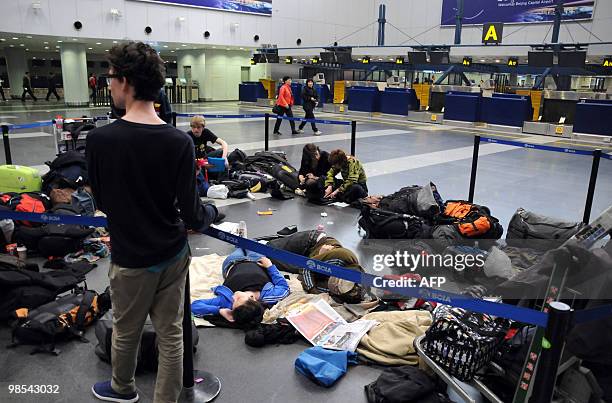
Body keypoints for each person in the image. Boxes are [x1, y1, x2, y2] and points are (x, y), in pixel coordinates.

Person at [87, 41, 218, 403]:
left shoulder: (99, 140)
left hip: (130, 257)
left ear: (126, 81)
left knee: (126, 330)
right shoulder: (179, 141)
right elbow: (193, 213)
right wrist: (211, 214)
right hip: (173, 254)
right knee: (171, 333)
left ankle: (123, 389)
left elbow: (101, 201)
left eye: (110, 77)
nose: (107, 84)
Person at [191, 246, 290, 328]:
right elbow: (284, 287)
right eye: (238, 298)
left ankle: (240, 241)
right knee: (251, 244)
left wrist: (219, 310)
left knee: (240, 245)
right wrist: (270, 266)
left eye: (234, 302)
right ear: (252, 298)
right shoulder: (270, 296)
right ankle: (243, 240)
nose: (233, 297)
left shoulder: (226, 302)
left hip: (233, 262)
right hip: (257, 261)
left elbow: (194, 306)